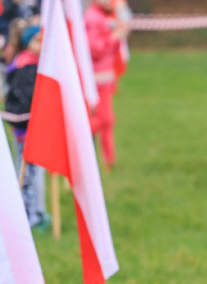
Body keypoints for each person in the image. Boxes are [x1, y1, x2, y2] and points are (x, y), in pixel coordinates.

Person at [4, 23, 50, 232]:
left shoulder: (34, 63)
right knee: (28, 175)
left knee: (36, 173)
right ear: (27, 42)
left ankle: (37, 211)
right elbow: (23, 100)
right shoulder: (25, 66)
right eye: (37, 40)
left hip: (35, 128)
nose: (41, 44)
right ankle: (30, 215)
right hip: (26, 130)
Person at [85, 0, 129, 170]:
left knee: (108, 121)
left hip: (105, 76)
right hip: (97, 78)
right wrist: (113, 37)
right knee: (104, 119)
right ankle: (75, 138)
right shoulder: (93, 17)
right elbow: (94, 49)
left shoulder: (104, 16)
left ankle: (109, 160)